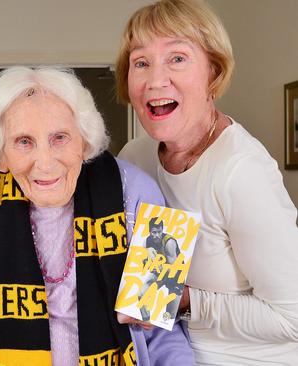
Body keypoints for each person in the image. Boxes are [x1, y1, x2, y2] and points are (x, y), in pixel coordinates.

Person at [0, 66, 194, 366]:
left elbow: (162, 325)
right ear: (1, 154)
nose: (44, 164)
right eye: (23, 141)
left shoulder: (141, 190)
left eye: (59, 137)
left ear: (84, 141)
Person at [116, 0, 298, 363]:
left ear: (214, 73)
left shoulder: (240, 171)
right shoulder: (135, 159)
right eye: (141, 63)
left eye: (177, 58)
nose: (155, 80)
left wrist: (182, 300)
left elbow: (293, 319)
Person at [141, 217, 182, 321]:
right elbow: (144, 264)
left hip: (176, 276)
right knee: (141, 295)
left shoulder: (169, 242)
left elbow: (174, 270)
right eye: (154, 232)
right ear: (149, 231)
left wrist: (156, 265)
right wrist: (148, 262)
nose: (157, 235)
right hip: (160, 272)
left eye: (159, 232)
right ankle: (146, 321)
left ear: (162, 230)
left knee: (168, 317)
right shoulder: (147, 242)